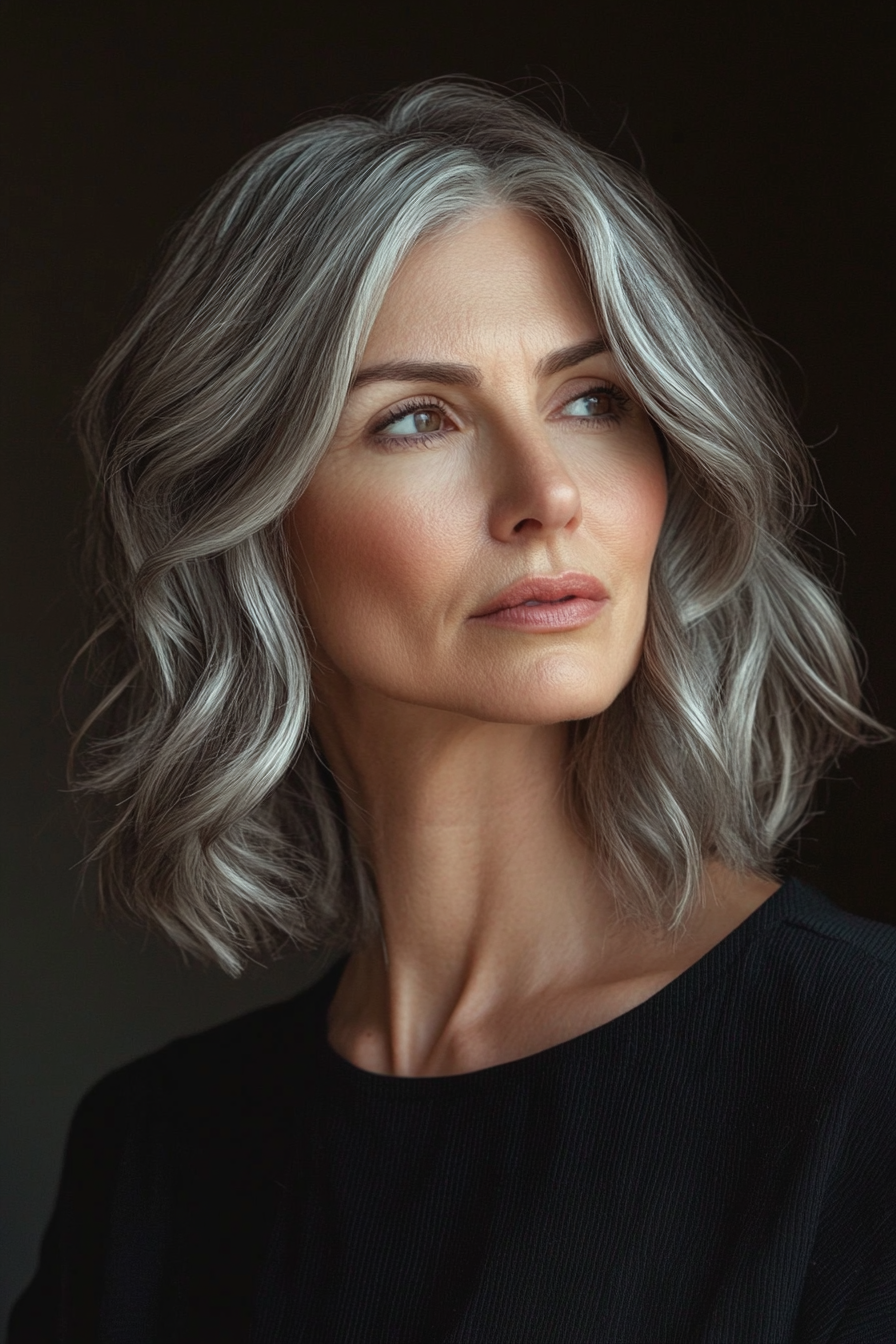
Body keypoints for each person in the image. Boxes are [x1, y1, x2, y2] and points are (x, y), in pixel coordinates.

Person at [9, 78, 895, 1343]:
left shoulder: (862, 1068)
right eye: (416, 418)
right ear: (244, 513)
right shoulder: (156, 1157)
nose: (545, 494)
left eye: (593, 399)